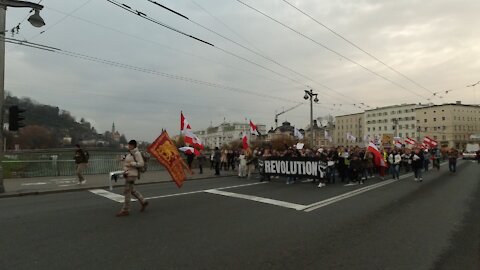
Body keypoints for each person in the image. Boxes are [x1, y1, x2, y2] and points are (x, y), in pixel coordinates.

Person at [116, 140, 149, 217]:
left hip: (132, 175)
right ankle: (143, 201)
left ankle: (125, 210)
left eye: (130, 145)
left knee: (127, 192)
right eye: (129, 145)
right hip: (128, 174)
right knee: (132, 190)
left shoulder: (136, 153)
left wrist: (132, 164)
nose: (129, 146)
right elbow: (128, 160)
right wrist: (123, 158)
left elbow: (141, 163)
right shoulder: (130, 153)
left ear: (134, 145)